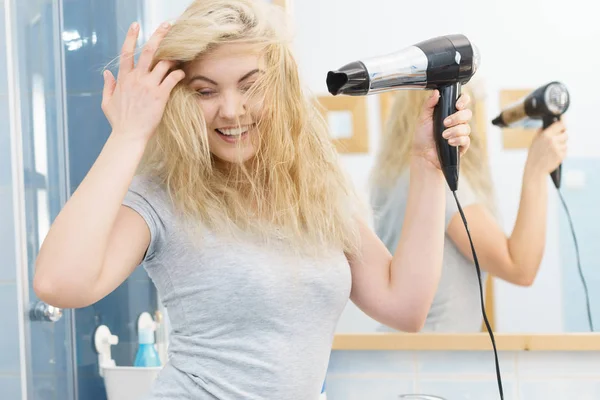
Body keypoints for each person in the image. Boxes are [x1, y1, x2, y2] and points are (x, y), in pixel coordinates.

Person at [32, 1, 473, 398]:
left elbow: (405, 305)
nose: (231, 109)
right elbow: (60, 283)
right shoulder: (162, 194)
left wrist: (427, 163)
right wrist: (129, 133)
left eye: (249, 85)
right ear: (181, 99)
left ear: (278, 86)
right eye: (205, 91)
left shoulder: (314, 187)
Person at [370, 85, 568, 333]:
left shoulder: (393, 179)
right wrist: (537, 169)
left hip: (402, 352)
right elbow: (520, 267)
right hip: (432, 357)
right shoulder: (439, 182)